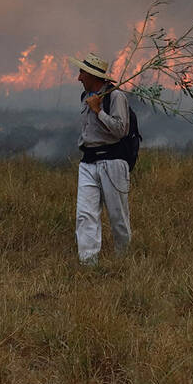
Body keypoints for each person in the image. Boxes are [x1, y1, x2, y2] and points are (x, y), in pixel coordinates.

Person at [75, 53, 131, 265]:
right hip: (88, 162)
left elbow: (120, 130)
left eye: (82, 73)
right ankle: (88, 264)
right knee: (85, 214)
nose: (79, 78)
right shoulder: (86, 96)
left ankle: (123, 260)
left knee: (118, 217)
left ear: (92, 75)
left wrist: (98, 110)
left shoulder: (116, 97)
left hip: (112, 162)